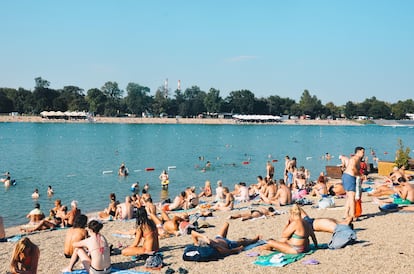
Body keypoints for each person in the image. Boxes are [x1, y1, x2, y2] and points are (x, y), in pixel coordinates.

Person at [190, 222, 261, 257]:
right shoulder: (215, 246)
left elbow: (193, 233)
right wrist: (238, 249)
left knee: (226, 224)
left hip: (219, 238)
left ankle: (246, 240)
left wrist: (203, 236)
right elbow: (228, 251)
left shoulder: (197, 244)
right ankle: (254, 240)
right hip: (229, 244)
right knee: (243, 242)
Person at [342, 147, 365, 220]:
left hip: (349, 177)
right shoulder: (355, 159)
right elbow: (353, 169)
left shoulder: (356, 159)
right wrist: (361, 175)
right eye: (362, 152)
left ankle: (346, 214)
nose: (363, 154)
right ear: (358, 152)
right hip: (349, 177)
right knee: (352, 197)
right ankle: (352, 215)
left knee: (349, 197)